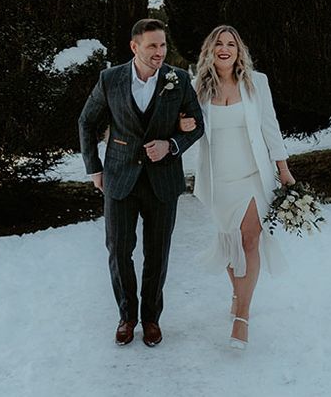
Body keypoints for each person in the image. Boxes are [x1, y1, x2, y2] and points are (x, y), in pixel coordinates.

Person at [79, 18, 203, 347]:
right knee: (119, 252)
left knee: (157, 254)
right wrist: (94, 168)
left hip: (162, 181)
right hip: (120, 179)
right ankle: (126, 316)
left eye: (163, 45)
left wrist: (172, 144)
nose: (159, 52)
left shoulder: (178, 79)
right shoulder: (110, 79)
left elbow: (198, 124)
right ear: (135, 47)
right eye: (152, 45)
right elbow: (86, 122)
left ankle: (150, 319)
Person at [180, 25, 294, 350]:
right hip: (219, 181)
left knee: (249, 239)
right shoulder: (197, 88)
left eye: (231, 44)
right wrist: (181, 124)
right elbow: (185, 126)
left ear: (239, 50)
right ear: (210, 51)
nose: (225, 49)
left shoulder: (257, 83)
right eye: (219, 44)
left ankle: (242, 317)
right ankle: (237, 292)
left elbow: (271, 127)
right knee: (231, 244)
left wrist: (283, 169)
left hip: (252, 176)